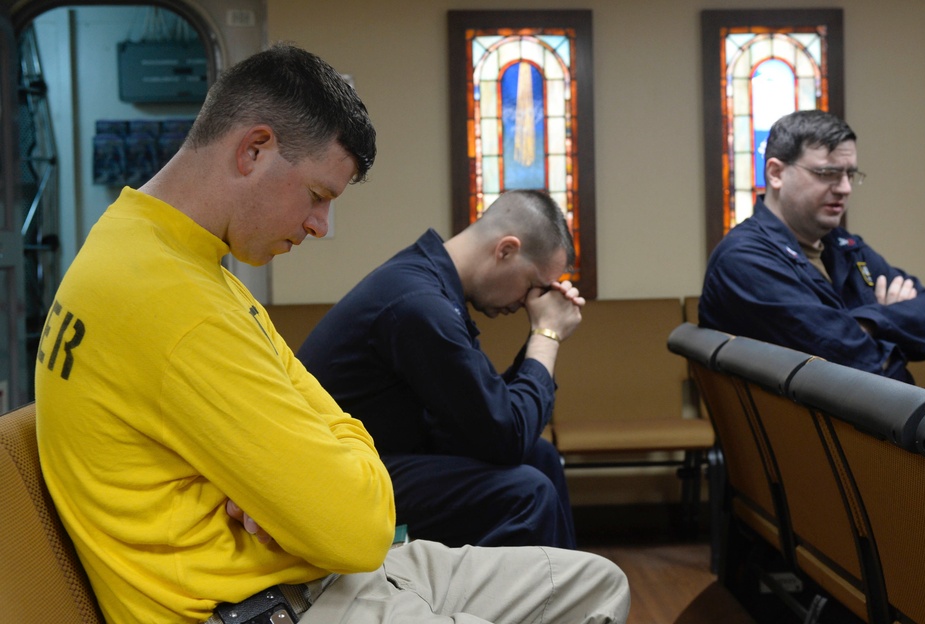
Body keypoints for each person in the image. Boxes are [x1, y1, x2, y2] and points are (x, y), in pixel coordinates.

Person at [33, 43, 629, 624]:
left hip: (314, 572)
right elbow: (362, 529)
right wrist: (330, 472)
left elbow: (331, 422)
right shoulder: (175, 306)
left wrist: (317, 475)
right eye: (318, 197)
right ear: (255, 150)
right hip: (269, 602)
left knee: (599, 582)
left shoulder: (154, 252)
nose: (320, 225)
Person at [297, 190, 582, 550]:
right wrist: (547, 335)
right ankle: (526, 605)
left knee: (539, 458)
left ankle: (566, 601)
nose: (530, 301)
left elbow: (489, 420)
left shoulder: (430, 284)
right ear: (506, 250)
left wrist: (541, 337)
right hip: (337, 478)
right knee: (527, 493)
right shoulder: (420, 305)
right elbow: (504, 435)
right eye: (534, 285)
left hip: (382, 456)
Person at [699, 109, 925, 383]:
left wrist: (868, 323)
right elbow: (857, 363)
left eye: (850, 174)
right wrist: (892, 326)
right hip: (837, 422)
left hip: (883, 413)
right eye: (827, 173)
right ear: (776, 173)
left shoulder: (843, 245)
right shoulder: (744, 259)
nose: (845, 188)